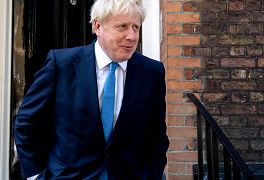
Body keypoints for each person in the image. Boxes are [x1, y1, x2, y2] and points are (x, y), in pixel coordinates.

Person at [15, 0, 169, 179]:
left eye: (135, 27)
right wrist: (34, 176)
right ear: (98, 26)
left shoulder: (152, 72)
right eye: (122, 26)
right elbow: (27, 123)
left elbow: (157, 136)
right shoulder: (61, 65)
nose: (132, 36)